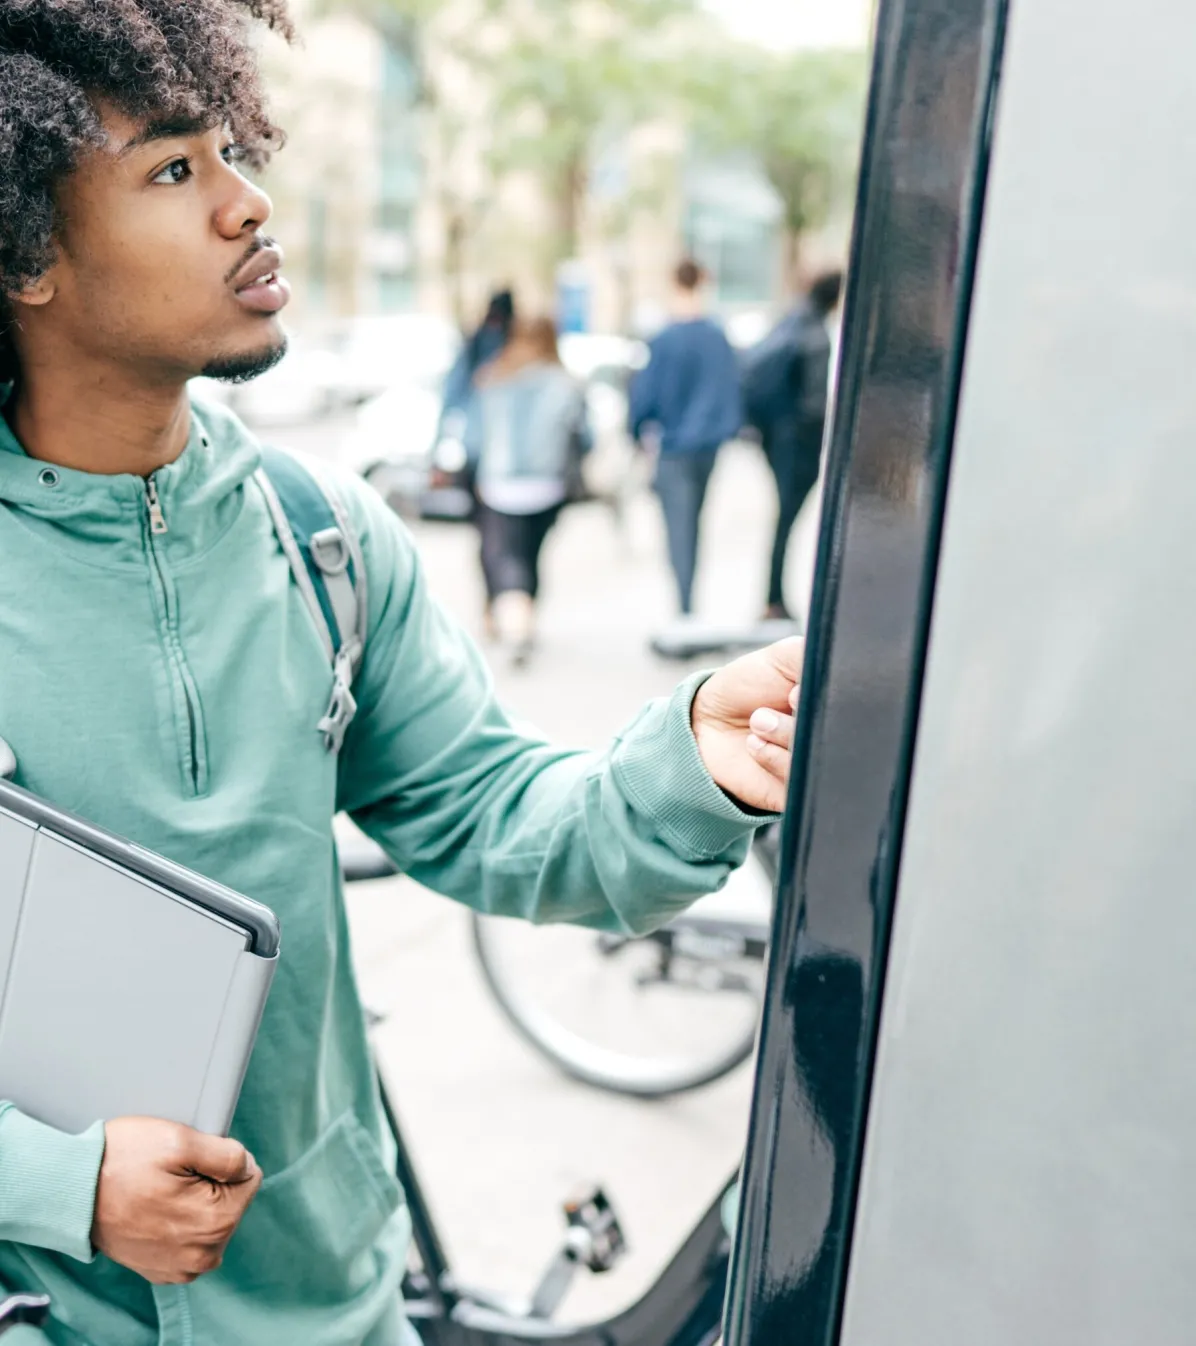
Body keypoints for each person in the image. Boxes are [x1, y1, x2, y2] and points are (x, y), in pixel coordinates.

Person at [0, 6, 803, 1346]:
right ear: (27, 255)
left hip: (338, 1307)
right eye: (174, 170)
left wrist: (695, 764)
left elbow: (496, 811)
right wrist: (59, 1185)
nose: (249, 204)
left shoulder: (321, 535)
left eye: (230, 151)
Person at [629, 260, 743, 621]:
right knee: (694, 523)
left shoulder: (664, 338)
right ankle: (688, 605)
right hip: (708, 447)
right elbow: (732, 391)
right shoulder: (717, 336)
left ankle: (684, 609)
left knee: (678, 528)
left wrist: (636, 434)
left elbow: (644, 397)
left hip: (674, 447)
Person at [473, 316, 590, 667]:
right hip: (547, 485)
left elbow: (476, 435)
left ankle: (516, 622)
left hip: (500, 484)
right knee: (532, 555)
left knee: (508, 556)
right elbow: (585, 437)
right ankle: (524, 621)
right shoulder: (566, 384)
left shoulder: (493, 378)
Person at [742, 270, 843, 621]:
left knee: (782, 521)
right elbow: (815, 404)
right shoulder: (816, 337)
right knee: (786, 521)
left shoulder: (788, 320)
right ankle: (774, 599)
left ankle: (773, 597)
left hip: (774, 436)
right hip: (797, 444)